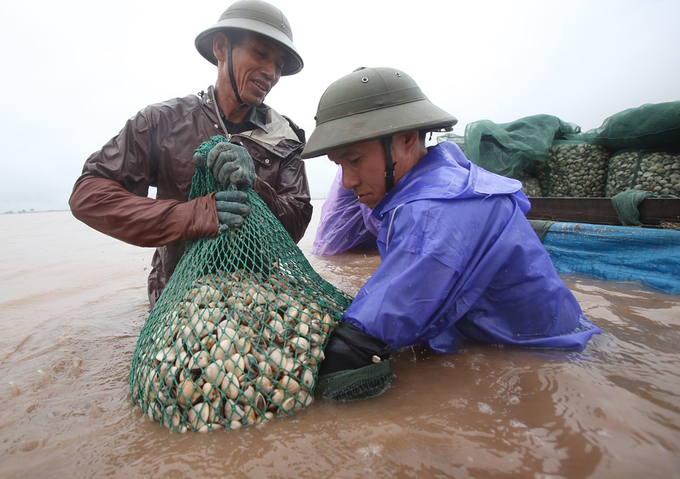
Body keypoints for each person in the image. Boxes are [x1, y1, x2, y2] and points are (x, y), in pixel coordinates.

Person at [301, 67, 602, 401]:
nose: (346, 182)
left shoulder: (435, 211)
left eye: (355, 160)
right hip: (556, 336)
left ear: (406, 138)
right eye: (339, 166)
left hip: (551, 360)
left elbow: (362, 342)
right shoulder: (441, 178)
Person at [69, 0, 312, 307]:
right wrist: (194, 215)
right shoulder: (162, 121)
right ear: (221, 47)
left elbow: (296, 224)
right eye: (261, 53)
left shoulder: (285, 137)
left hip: (258, 299)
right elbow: (88, 196)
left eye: (278, 64)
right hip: (179, 298)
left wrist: (256, 188)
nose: (270, 73)